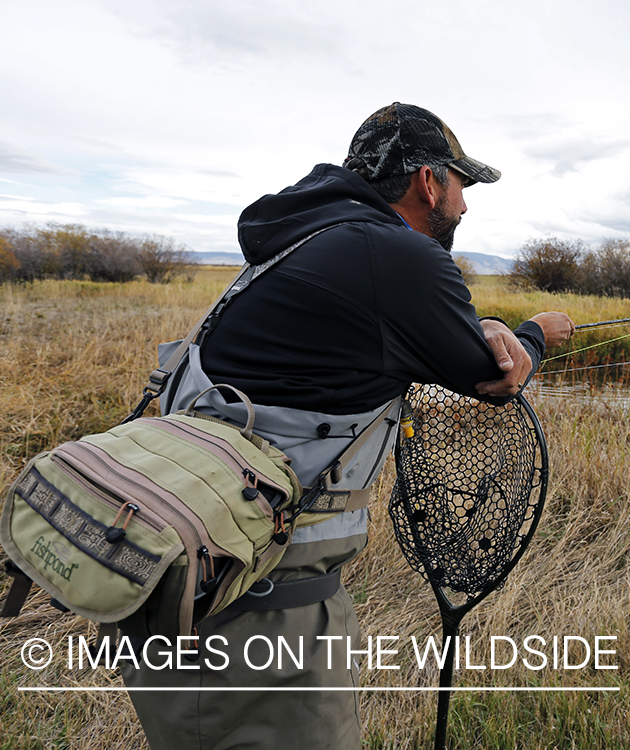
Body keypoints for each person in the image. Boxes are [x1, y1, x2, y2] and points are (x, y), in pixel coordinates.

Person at [120, 102, 575, 750]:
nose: (465, 207)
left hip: (183, 569)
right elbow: (493, 378)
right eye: (461, 186)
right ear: (427, 181)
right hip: (258, 606)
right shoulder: (394, 254)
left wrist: (486, 329)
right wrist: (536, 332)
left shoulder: (297, 243)